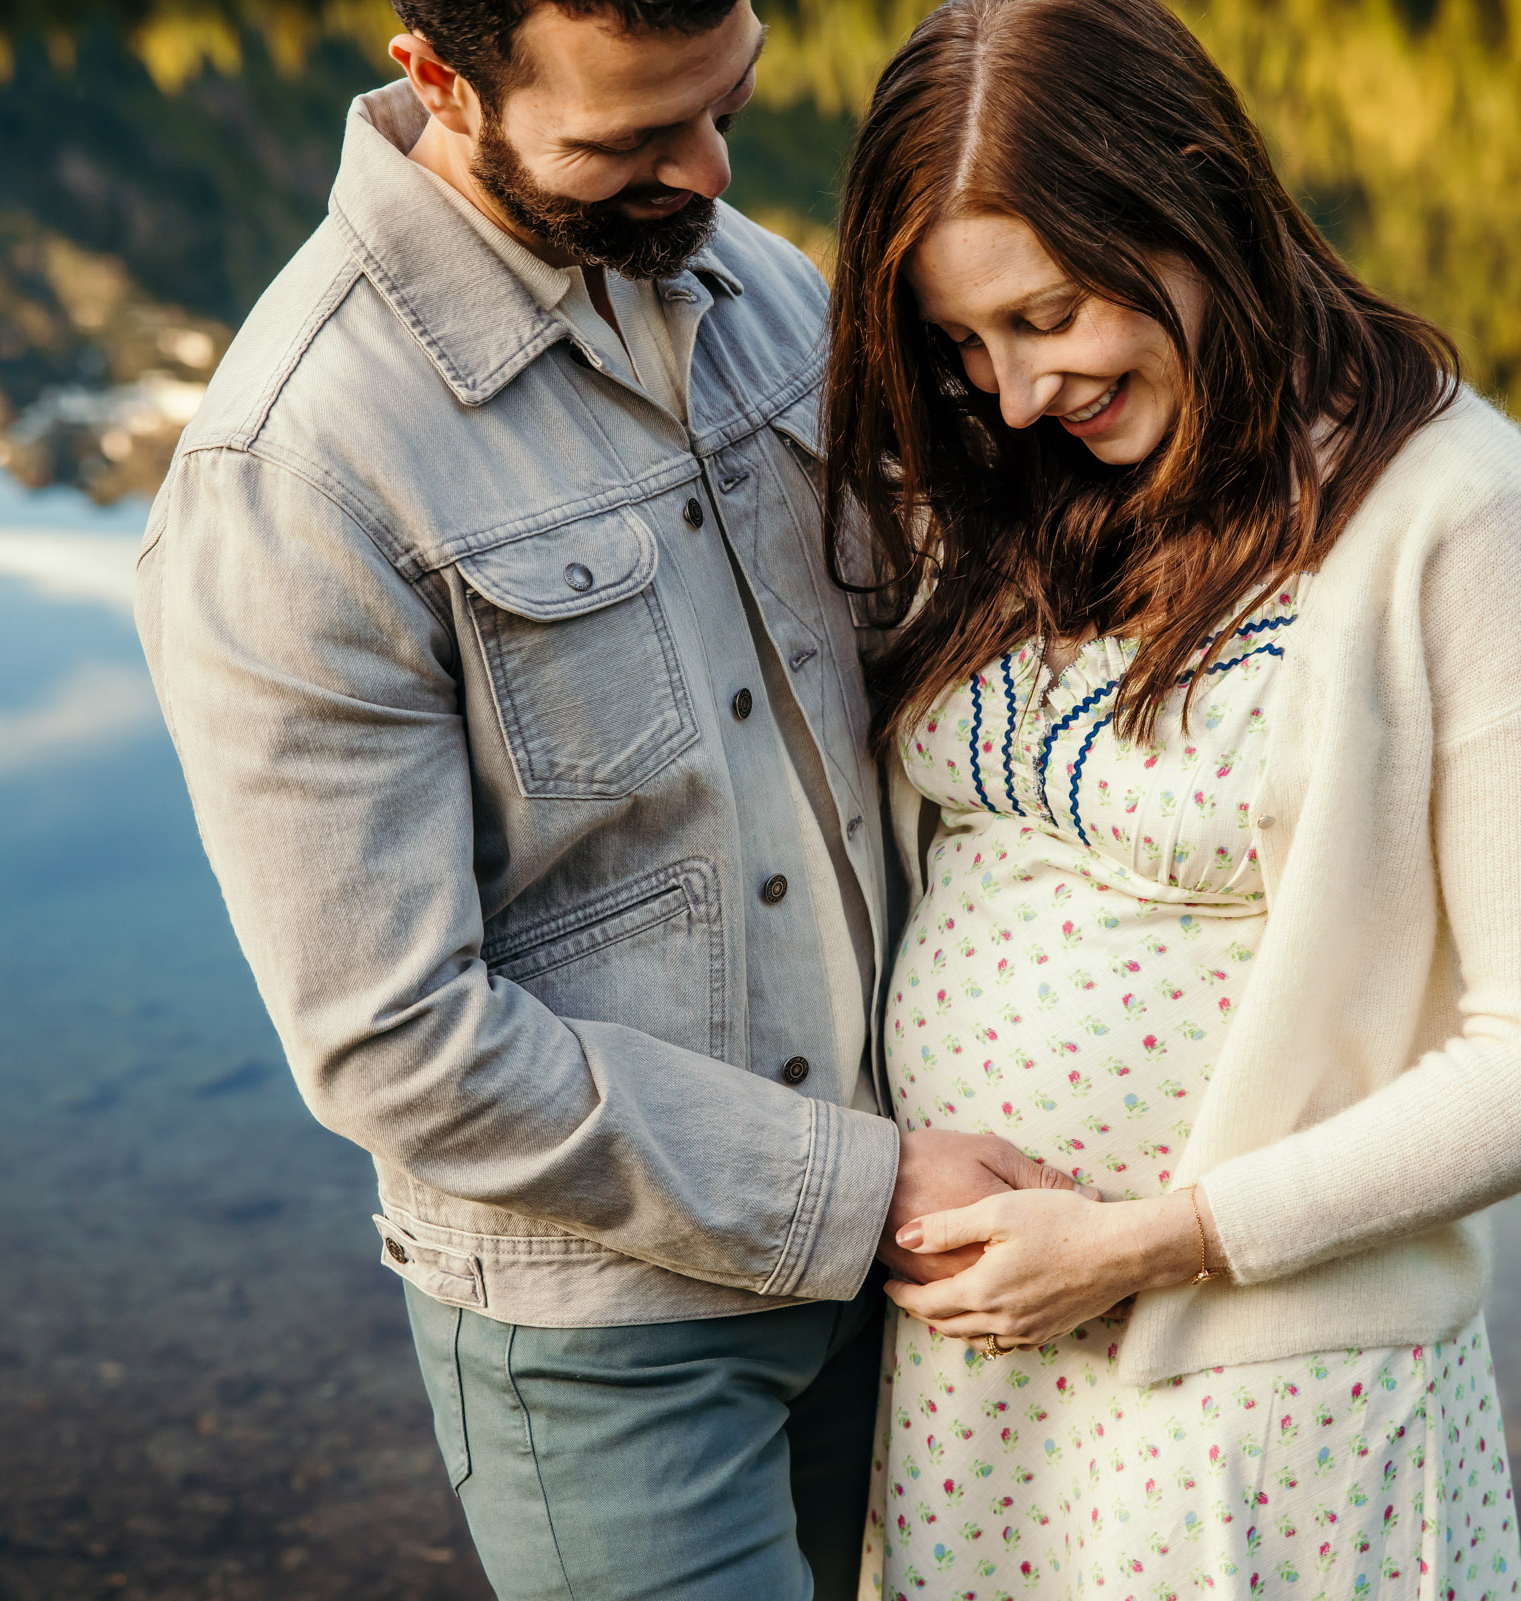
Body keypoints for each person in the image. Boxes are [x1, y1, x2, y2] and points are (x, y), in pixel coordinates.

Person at [134, 1, 1080, 1595]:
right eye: (629, 139)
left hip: (904, 1276)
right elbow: (395, 1043)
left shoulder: (760, 286)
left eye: (725, 104)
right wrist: (857, 1186)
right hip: (608, 1358)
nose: (706, 169)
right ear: (441, 79)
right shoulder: (292, 472)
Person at [821, 0, 1521, 1595]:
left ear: (1183, 201)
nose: (1010, 391)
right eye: (962, 343)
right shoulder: (1016, 483)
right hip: (975, 1386)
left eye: (1048, 314)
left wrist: (1149, 1240)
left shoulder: (1447, 511)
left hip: (1261, 1396)